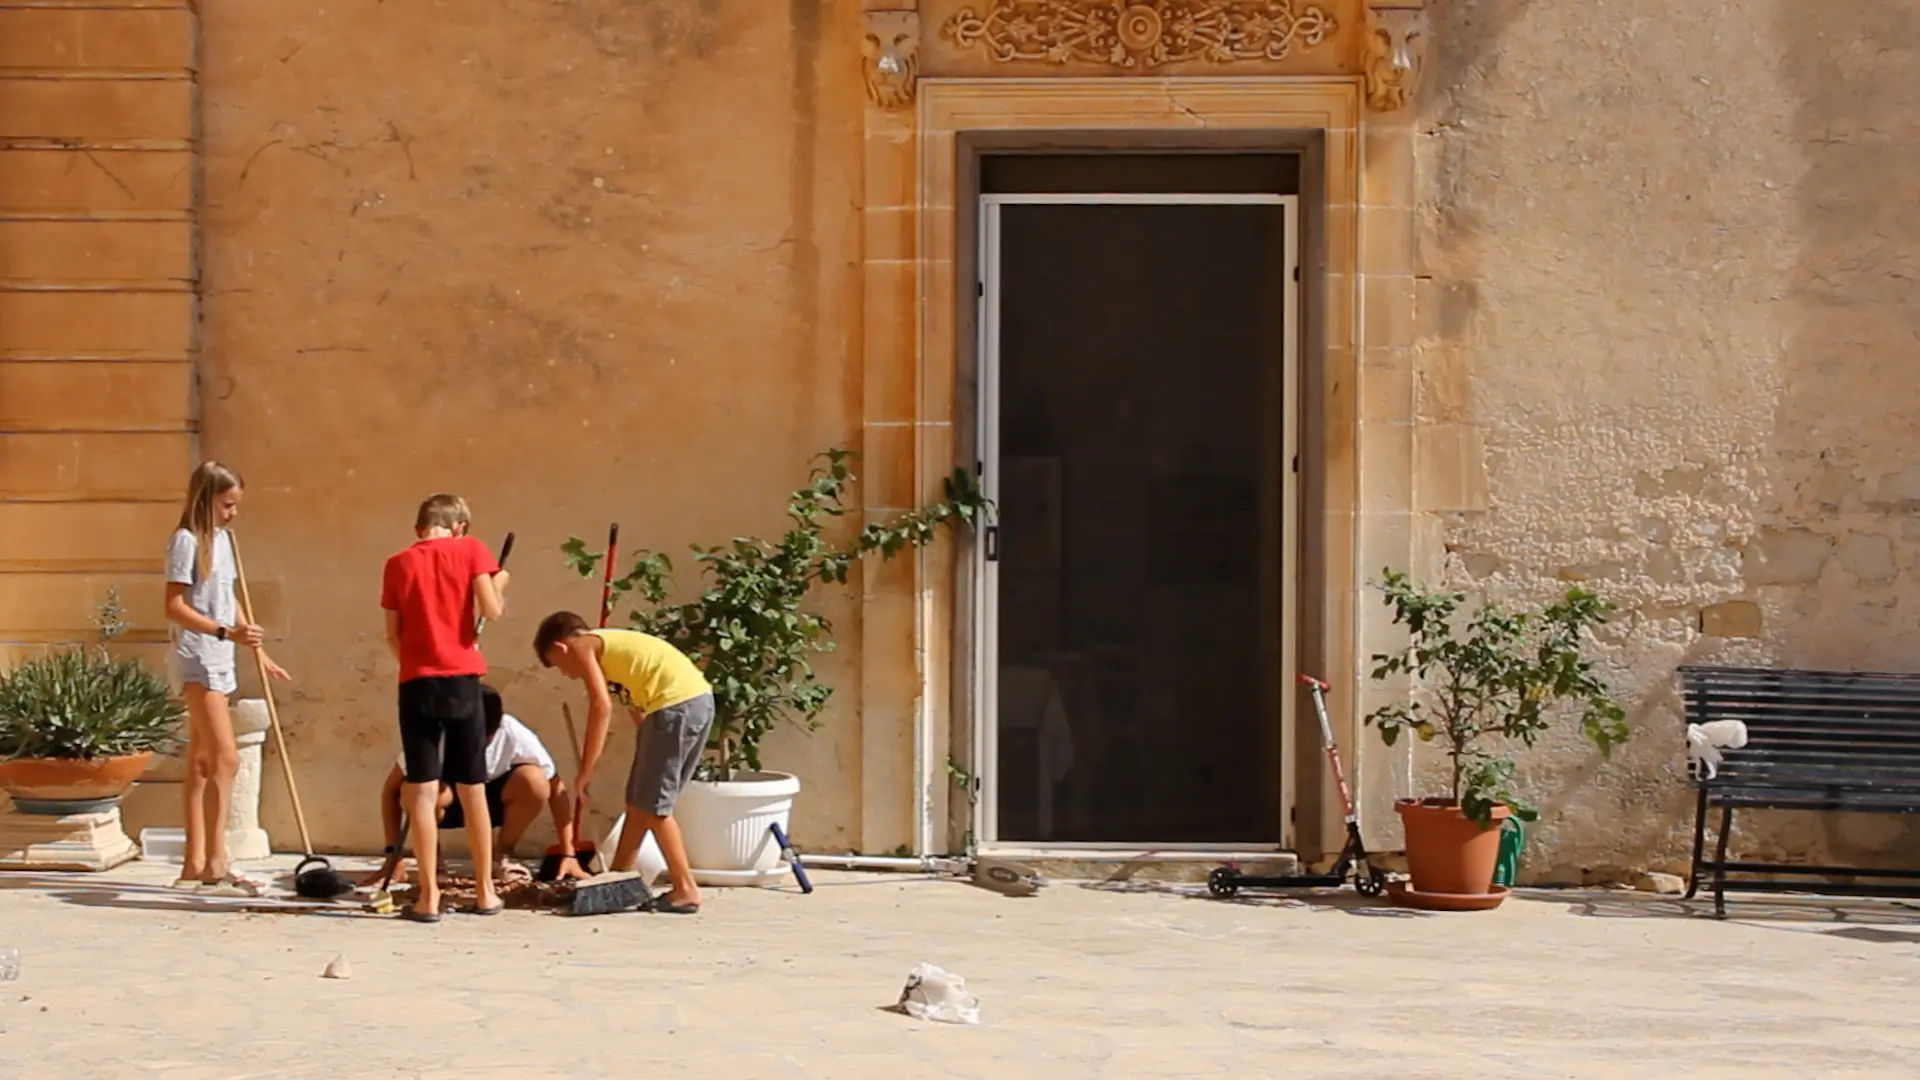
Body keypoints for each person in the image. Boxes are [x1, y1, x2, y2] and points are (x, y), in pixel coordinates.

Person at [162, 461, 292, 896]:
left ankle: (193, 863)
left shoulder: (223, 540)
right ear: (207, 500)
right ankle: (217, 861)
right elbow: (174, 606)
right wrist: (223, 632)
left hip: (222, 654)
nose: (234, 513)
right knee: (226, 757)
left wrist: (256, 646)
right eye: (227, 504)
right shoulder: (186, 541)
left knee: (202, 762)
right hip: (198, 655)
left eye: (235, 505)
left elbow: (229, 596)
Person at [381, 493, 509, 922]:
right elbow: (492, 609)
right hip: (462, 679)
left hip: (416, 681)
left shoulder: (397, 563)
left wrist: (420, 661)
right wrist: (499, 582)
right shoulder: (471, 550)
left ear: (421, 527)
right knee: (472, 785)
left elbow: (392, 636)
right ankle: (485, 891)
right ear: (458, 526)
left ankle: (428, 895)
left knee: (421, 787)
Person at [533, 612, 712, 914]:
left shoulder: (584, 645)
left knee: (655, 807)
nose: (566, 674)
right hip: (687, 705)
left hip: (674, 708)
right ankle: (617, 880)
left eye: (558, 665)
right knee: (639, 803)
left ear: (561, 647)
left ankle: (686, 889)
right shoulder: (614, 662)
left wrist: (586, 772)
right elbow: (638, 713)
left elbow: (600, 707)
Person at [363, 684, 582, 887]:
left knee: (534, 780)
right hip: (447, 804)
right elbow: (391, 791)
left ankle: (501, 858)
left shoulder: (512, 732)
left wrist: (568, 853)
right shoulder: (434, 737)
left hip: (490, 803)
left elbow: (555, 787)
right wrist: (393, 856)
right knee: (415, 790)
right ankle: (433, 865)